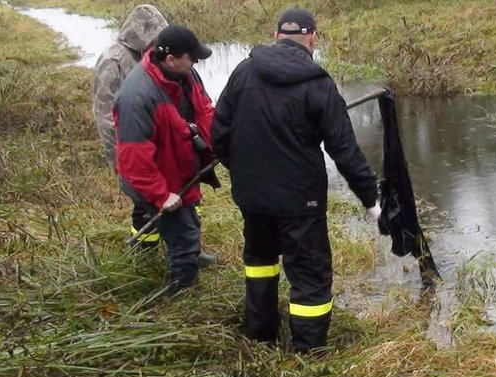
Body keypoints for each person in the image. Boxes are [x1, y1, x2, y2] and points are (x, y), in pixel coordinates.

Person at [211, 7, 381, 352]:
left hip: (253, 196)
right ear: (313, 39)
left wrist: (244, 173)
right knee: (309, 275)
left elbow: (219, 134)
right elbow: (345, 151)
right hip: (301, 200)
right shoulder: (318, 84)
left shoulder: (243, 72)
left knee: (259, 263)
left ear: (276, 36)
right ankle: (308, 353)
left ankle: (261, 337)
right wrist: (370, 199)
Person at [114, 25, 219, 292]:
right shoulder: (136, 97)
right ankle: (183, 295)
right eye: (191, 57)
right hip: (154, 178)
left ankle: (176, 255)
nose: (195, 62)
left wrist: (219, 143)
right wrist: (161, 195)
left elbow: (204, 110)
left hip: (178, 166)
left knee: (188, 220)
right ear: (170, 59)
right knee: (182, 235)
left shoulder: (186, 73)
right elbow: (134, 158)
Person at [92, 5, 168, 247]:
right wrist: (119, 160)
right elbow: (104, 116)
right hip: (131, 148)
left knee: (173, 197)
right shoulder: (113, 60)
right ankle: (144, 249)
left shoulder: (151, 56)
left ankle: (185, 247)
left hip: (156, 143)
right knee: (143, 202)